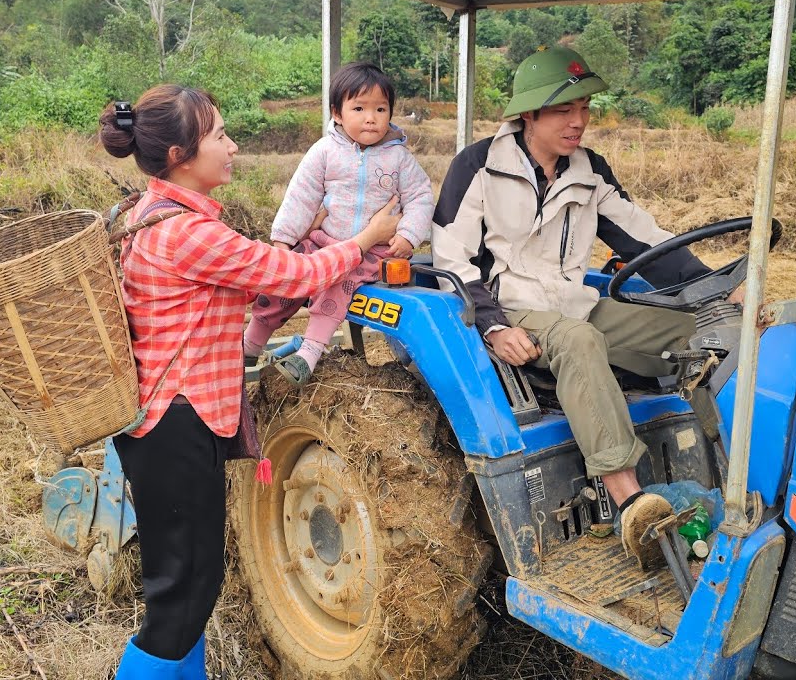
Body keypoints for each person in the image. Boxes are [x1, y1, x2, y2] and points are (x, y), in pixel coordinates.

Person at [99, 84, 401, 679]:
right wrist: (363, 240)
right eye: (219, 136)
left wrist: (311, 228)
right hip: (176, 424)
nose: (233, 146)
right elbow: (290, 275)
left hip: (171, 424)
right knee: (180, 597)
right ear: (183, 154)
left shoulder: (153, 214)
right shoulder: (188, 233)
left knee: (192, 582)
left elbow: (250, 265)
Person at [431, 47, 742, 568]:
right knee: (580, 341)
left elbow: (646, 242)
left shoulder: (588, 169)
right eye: (562, 110)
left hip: (577, 304)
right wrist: (492, 327)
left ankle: (733, 466)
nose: (578, 122)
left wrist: (716, 288)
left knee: (694, 326)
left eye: (585, 107)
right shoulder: (479, 166)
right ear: (528, 114)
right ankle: (633, 503)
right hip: (515, 306)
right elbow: (451, 256)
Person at [242, 62, 434, 385]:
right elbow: (301, 194)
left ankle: (310, 353)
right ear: (338, 113)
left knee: (337, 282)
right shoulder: (325, 151)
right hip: (325, 240)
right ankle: (252, 340)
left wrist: (409, 234)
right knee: (286, 274)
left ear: (390, 113)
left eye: (380, 109)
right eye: (359, 108)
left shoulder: (399, 158)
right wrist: (284, 240)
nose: (370, 117)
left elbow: (421, 195)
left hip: (371, 252)